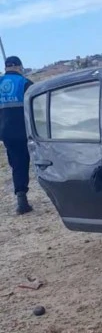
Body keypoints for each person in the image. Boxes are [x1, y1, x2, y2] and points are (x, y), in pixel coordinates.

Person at [0, 55, 33, 214]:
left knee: (17, 164)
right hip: (27, 131)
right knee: (44, 161)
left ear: (6, 67)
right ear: (19, 66)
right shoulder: (24, 83)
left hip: (6, 132)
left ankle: (21, 198)